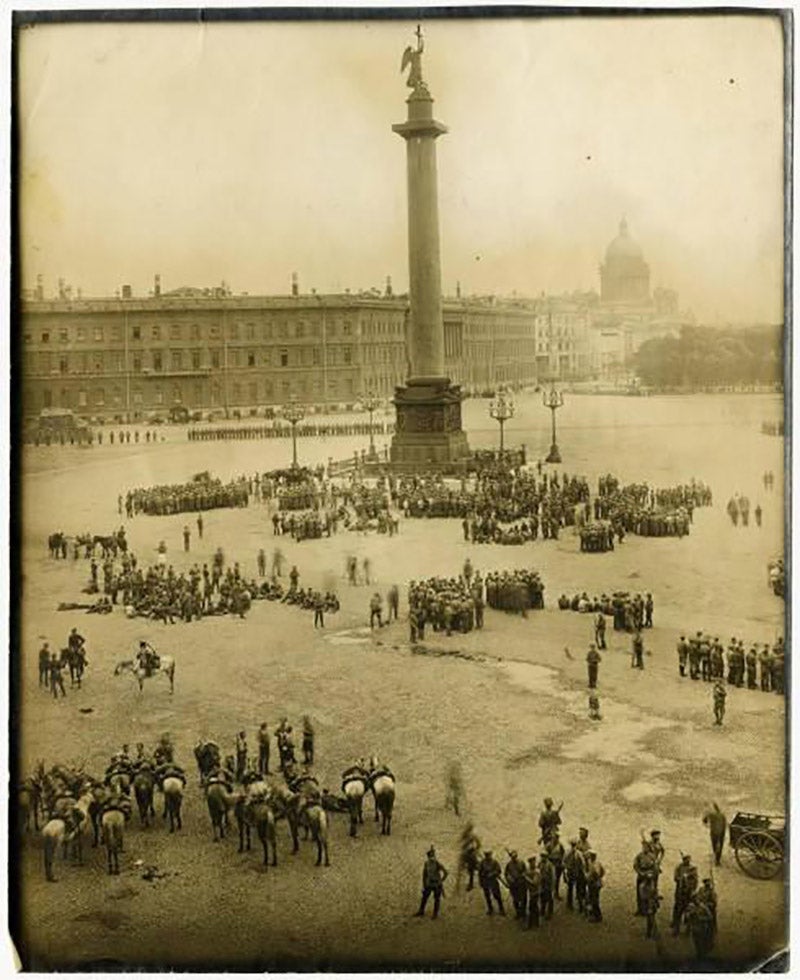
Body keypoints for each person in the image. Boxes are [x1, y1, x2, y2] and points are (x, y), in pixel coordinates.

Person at [414, 846, 448, 919]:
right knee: (424, 898)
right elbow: (424, 874)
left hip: (436, 884)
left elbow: (446, 872)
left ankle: (435, 914)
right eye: (430, 856)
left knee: (437, 899)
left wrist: (441, 880)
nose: (432, 858)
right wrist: (424, 884)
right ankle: (421, 911)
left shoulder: (437, 863)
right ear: (428, 857)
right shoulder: (426, 863)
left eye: (433, 856)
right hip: (429, 884)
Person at [671, 854, 698, 935]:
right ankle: (676, 928)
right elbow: (675, 878)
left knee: (689, 911)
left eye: (688, 859)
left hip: (689, 893)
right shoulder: (679, 867)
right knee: (678, 909)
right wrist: (682, 878)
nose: (687, 861)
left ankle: (688, 930)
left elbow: (695, 880)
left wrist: (692, 889)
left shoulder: (693, 869)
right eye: (685, 859)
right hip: (680, 891)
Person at [478, 850, 505, 915]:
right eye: (486, 855)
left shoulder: (494, 862)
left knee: (497, 895)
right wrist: (481, 881)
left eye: (489, 855)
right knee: (487, 896)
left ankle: (501, 909)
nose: (488, 857)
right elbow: (480, 872)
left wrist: (492, 874)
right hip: (485, 882)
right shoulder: (482, 863)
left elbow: (498, 870)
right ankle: (490, 908)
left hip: (493, 882)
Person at [505, 850, 528, 920]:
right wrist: (509, 879)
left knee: (523, 899)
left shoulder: (521, 863)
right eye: (512, 857)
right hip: (514, 885)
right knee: (515, 900)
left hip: (521, 884)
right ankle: (518, 913)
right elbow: (506, 873)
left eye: (515, 857)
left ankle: (523, 912)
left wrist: (522, 876)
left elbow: (525, 872)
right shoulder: (509, 865)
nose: (514, 858)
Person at [458, 822, 481, 891]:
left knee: (472, 869)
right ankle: (458, 883)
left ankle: (471, 884)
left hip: (471, 854)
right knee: (461, 867)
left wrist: (475, 850)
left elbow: (479, 844)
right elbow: (460, 842)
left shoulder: (473, 836)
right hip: (465, 853)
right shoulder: (465, 835)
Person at [585, 851, 604, 922]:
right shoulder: (597, 863)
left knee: (594, 900)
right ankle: (596, 915)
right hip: (596, 883)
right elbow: (603, 871)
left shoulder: (593, 865)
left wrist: (591, 878)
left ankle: (597, 916)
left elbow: (596, 873)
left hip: (594, 884)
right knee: (593, 899)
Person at [524, 856, 541, 928]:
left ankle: (531, 924)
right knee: (534, 907)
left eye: (533, 862)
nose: (532, 864)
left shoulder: (537, 872)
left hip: (535, 892)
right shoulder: (529, 870)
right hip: (531, 892)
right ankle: (536, 923)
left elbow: (534, 883)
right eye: (530, 863)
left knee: (533, 908)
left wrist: (526, 878)